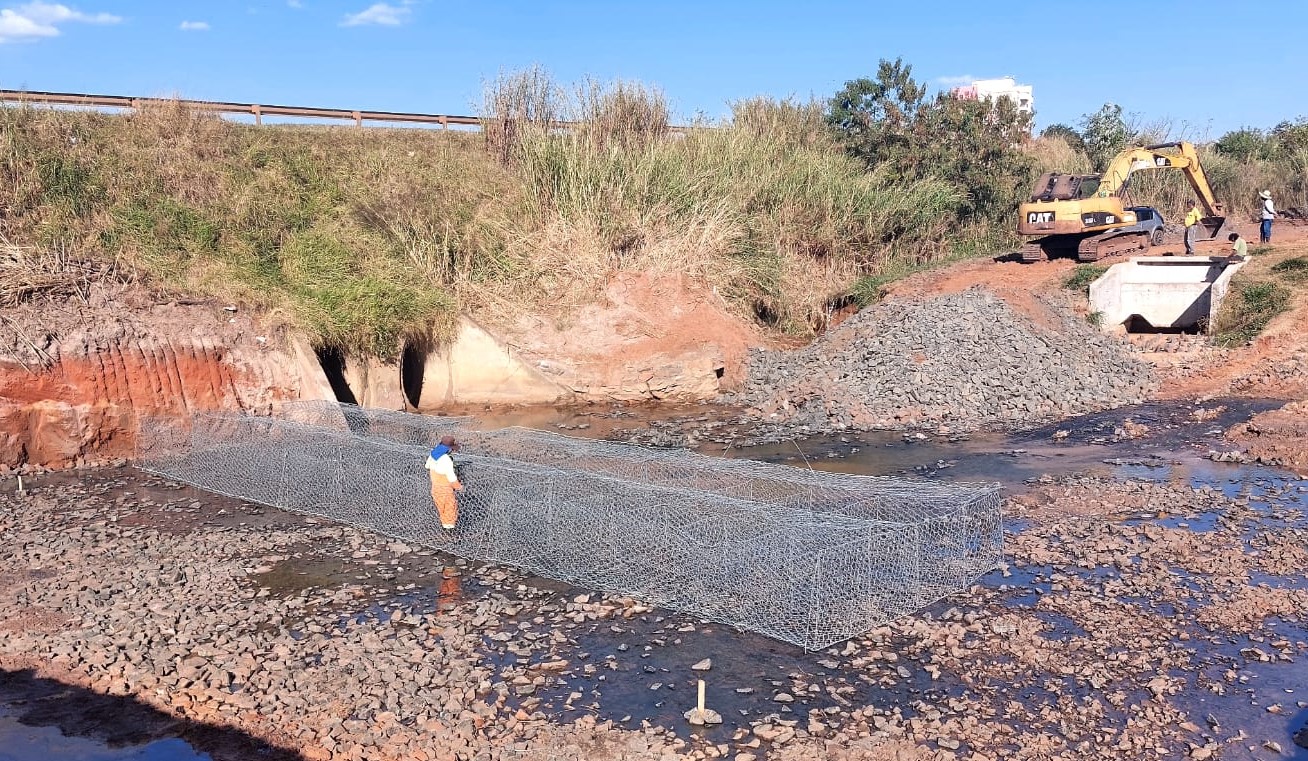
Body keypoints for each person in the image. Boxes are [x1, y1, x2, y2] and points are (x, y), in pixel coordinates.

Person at [425, 435, 463, 529]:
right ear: (449, 449)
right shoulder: (446, 460)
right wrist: (459, 487)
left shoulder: (433, 454)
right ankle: (449, 533)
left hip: (435, 488)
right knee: (450, 510)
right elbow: (451, 477)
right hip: (446, 490)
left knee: (441, 509)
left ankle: (444, 530)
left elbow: (427, 466)